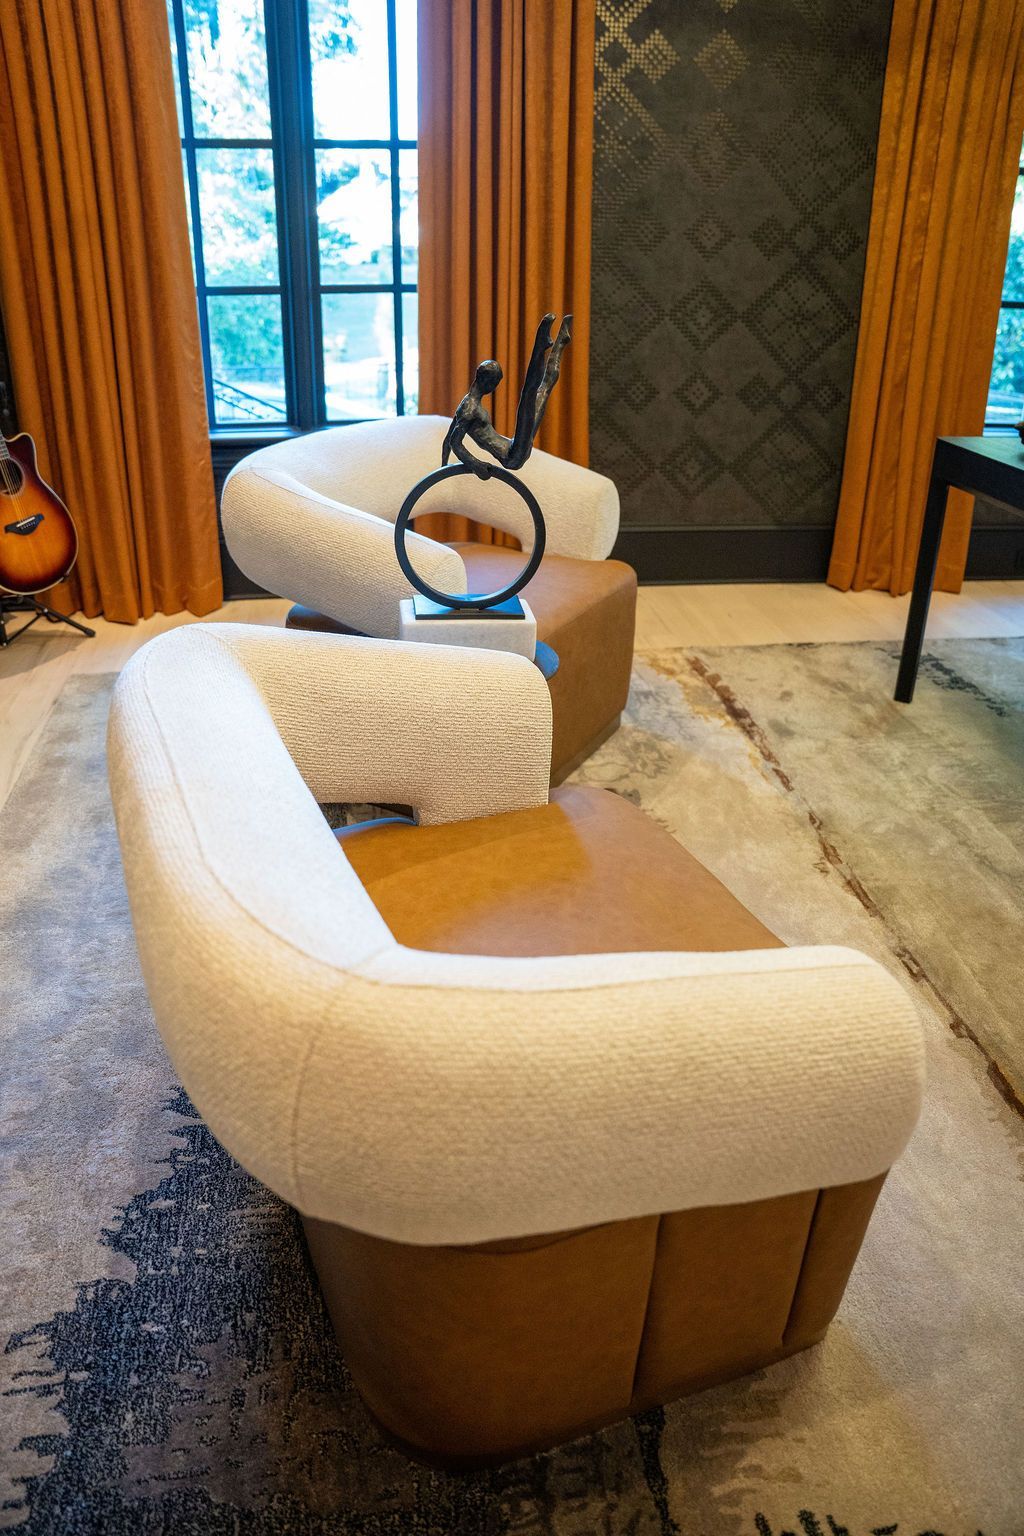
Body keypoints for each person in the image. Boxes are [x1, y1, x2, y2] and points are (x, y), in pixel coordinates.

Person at [441, 312, 572, 476]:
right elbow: (455, 442)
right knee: (530, 393)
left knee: (544, 389)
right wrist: (477, 465)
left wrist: (442, 468)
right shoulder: (469, 408)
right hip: (512, 456)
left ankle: (560, 342)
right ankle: (541, 343)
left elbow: (448, 440)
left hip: (514, 446)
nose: (495, 388)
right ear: (486, 381)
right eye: (495, 384)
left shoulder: (466, 404)